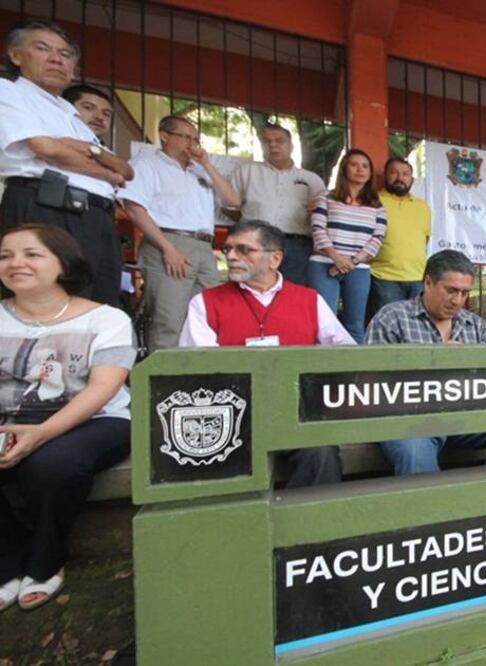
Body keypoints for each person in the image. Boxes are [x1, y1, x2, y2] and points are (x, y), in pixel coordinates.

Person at [0, 224, 134, 611]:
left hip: (95, 421)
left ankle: (44, 561)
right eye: (6, 255)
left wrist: (40, 433)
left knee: (54, 465)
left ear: (63, 263)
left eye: (32, 254)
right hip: (8, 419)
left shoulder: (105, 319)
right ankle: (6, 560)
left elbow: (102, 389)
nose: (16, 263)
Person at [178, 220, 351, 486]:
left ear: (275, 259)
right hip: (230, 416)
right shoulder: (205, 302)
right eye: (228, 249)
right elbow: (196, 368)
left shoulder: (309, 300)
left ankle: (309, 526)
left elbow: (345, 351)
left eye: (244, 250)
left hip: (294, 410)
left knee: (321, 455)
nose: (231, 256)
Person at [366, 250, 486, 475]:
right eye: (451, 290)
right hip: (410, 419)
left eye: (464, 293)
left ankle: (484, 496)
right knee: (415, 452)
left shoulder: (474, 324)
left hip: (465, 414)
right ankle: (435, 509)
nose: (457, 300)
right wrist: (433, 359)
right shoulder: (391, 318)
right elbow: (371, 384)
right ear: (428, 282)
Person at [0, 19, 133, 307]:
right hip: (47, 205)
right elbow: (45, 147)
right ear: (16, 55)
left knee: (99, 305)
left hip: (96, 215)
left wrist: (86, 148)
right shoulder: (9, 92)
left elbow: (125, 169)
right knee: (49, 303)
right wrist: (105, 173)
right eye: (42, 48)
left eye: (65, 54)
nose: (56, 59)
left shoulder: (67, 112)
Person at [122, 115, 241, 351]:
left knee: (205, 316)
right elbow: (134, 208)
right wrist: (167, 248)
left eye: (196, 138)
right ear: (164, 136)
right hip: (168, 241)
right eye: (185, 137)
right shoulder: (147, 164)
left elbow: (233, 201)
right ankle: (164, 380)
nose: (192, 143)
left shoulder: (199, 170)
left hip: (204, 247)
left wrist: (206, 164)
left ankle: (197, 374)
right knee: (170, 318)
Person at [224, 124, 324, 285]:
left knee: (291, 294)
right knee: (247, 288)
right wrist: (250, 225)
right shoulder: (246, 172)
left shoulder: (311, 179)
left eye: (279, 141)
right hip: (254, 242)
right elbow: (229, 208)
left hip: (296, 245)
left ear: (291, 146)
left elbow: (323, 215)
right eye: (267, 142)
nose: (273, 145)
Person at [309, 149, 386, 343]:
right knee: (324, 322)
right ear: (344, 169)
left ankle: (355, 371)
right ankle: (322, 370)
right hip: (324, 264)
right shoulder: (326, 197)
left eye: (365, 166)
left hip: (358, 268)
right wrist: (336, 257)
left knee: (355, 323)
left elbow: (377, 238)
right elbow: (317, 228)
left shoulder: (377, 205)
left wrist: (350, 262)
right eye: (354, 164)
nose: (360, 170)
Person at [368, 157, 432, 315]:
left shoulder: (422, 207)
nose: (400, 177)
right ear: (386, 175)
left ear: (412, 179)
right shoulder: (373, 201)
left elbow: (425, 239)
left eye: (405, 174)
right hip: (383, 277)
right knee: (388, 327)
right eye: (394, 172)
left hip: (417, 278)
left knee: (416, 329)